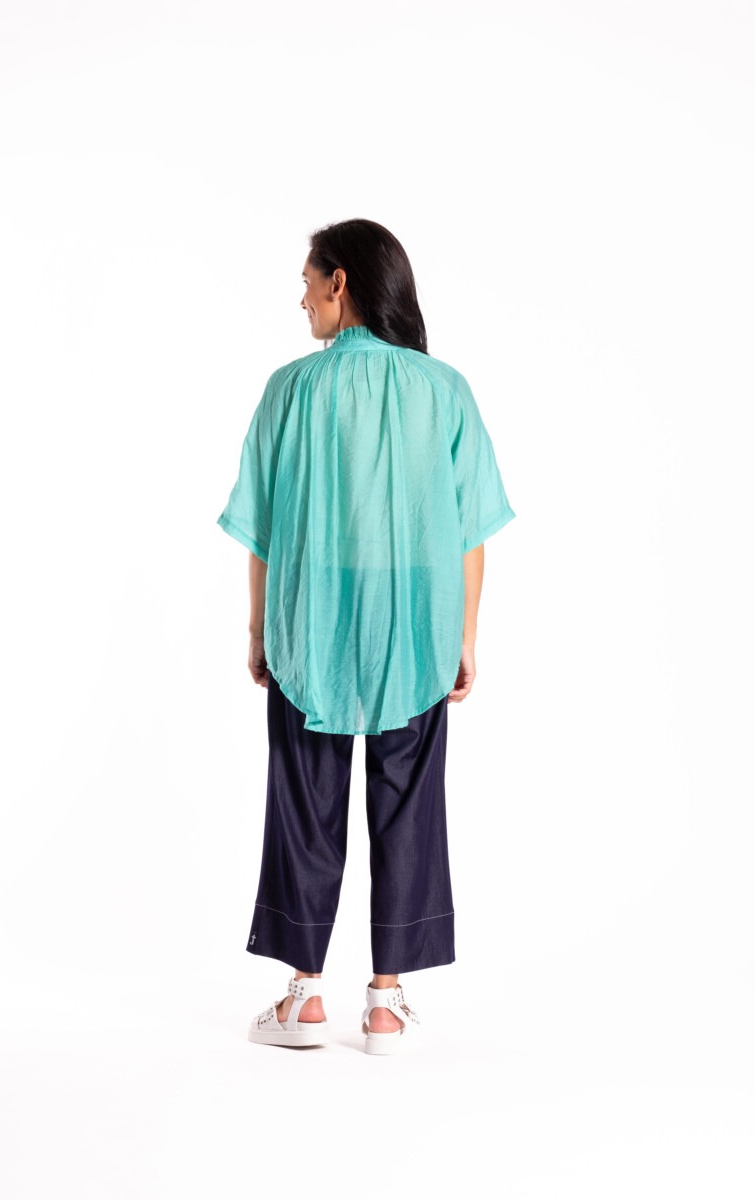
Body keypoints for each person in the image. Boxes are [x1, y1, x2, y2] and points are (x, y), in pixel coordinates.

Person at [216, 218, 516, 1054]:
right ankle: (386, 1005)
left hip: (310, 613)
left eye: (307, 282)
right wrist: (464, 635)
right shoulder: (443, 388)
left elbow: (262, 529)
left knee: (302, 800)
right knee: (411, 799)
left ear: (340, 282)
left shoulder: (290, 389)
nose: (302, 299)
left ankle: (304, 998)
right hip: (415, 619)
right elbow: (469, 526)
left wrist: (259, 630)